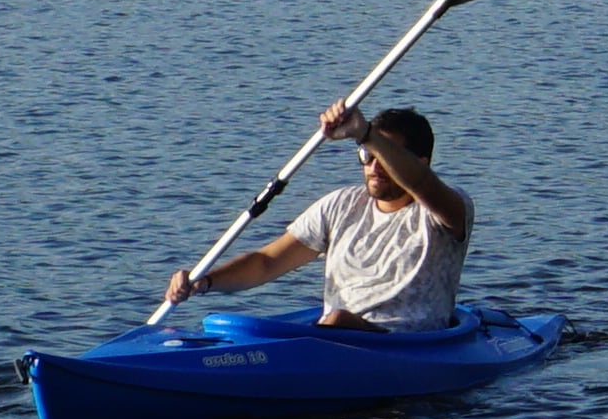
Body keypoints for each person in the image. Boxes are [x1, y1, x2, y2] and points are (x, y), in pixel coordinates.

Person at [168, 103, 479, 333]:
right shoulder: (340, 205)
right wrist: (203, 282)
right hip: (337, 337)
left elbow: (422, 183)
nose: (373, 166)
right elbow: (267, 262)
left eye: (383, 157)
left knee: (337, 320)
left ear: (421, 162)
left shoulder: (446, 210)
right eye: (366, 156)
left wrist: (365, 133)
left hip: (408, 346)